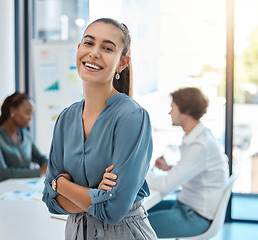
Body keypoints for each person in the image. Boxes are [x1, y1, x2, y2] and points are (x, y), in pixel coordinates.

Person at [42, 18, 157, 239]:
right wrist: (95, 195)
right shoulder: (66, 118)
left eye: (107, 48)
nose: (94, 53)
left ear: (122, 63)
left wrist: (61, 184)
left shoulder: (132, 117)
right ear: (79, 49)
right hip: (76, 232)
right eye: (88, 43)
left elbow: (113, 209)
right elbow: (50, 201)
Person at [146, 87, 229, 238]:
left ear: (186, 112)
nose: (169, 113)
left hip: (194, 217)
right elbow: (195, 170)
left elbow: (165, 186)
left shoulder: (200, 146)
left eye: (172, 108)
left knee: (133, 227)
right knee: (134, 214)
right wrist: (169, 168)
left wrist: (142, 175)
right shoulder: (199, 136)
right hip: (185, 207)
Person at [0, 91, 48, 186]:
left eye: (32, 114)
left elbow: (41, 159)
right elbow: (3, 174)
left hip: (21, 189)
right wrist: (39, 171)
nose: (30, 118)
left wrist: (50, 165)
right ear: (13, 110)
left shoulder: (26, 135)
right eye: (27, 113)